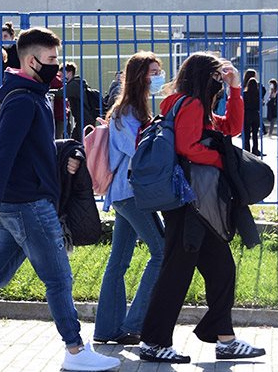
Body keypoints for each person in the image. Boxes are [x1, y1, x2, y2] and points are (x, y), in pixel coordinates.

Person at [0, 27, 120, 372]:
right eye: (52, 60)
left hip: (22, 202)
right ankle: (75, 351)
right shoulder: (24, 100)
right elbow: (3, 155)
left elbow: (35, 149)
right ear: (31, 61)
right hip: (27, 203)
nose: (57, 67)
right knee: (58, 278)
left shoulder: (32, 95)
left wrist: (70, 151)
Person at [139, 53, 266, 364]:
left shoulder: (194, 106)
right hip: (188, 203)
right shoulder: (190, 104)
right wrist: (223, 161)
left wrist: (236, 88)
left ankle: (225, 340)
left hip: (197, 202)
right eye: (217, 79)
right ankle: (154, 342)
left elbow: (232, 127)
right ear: (203, 78)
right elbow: (188, 148)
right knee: (176, 272)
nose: (219, 84)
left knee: (222, 269)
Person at [94, 52, 165, 348]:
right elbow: (138, 151)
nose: (158, 76)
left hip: (126, 194)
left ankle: (107, 329)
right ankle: (133, 324)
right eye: (153, 72)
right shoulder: (126, 112)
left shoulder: (133, 109)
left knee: (118, 262)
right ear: (139, 76)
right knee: (162, 254)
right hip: (130, 193)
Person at [64, 62, 100, 140]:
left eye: (62, 74)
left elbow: (61, 93)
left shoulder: (73, 85)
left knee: (83, 143)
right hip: (83, 119)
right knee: (75, 141)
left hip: (84, 119)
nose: (61, 78)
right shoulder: (77, 83)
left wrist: (47, 91)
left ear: (69, 73)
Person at [242, 71, 262, 157]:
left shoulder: (244, 94)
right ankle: (255, 149)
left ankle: (246, 150)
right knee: (255, 133)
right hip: (255, 114)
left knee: (246, 134)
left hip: (247, 114)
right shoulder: (258, 94)